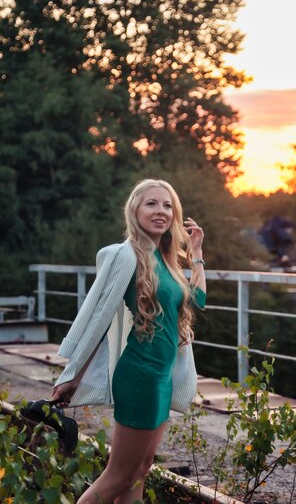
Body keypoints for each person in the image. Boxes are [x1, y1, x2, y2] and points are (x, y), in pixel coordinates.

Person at [50, 178, 206, 503]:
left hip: (161, 378)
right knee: (118, 476)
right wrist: (73, 376)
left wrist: (197, 253)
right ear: (134, 209)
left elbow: (199, 299)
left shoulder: (165, 260)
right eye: (151, 203)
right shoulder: (125, 256)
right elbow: (99, 317)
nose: (160, 211)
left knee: (140, 471)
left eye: (167, 205)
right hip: (139, 377)